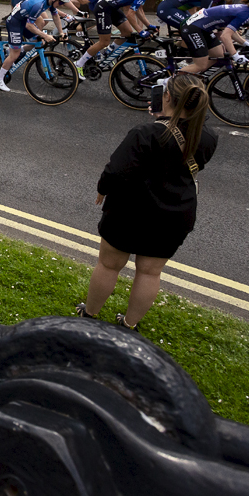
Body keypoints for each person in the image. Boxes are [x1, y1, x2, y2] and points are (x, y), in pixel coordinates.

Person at [77, 74, 217, 331]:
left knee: (109, 265)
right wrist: (166, 120)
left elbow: (117, 171)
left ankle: (90, 314)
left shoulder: (146, 133)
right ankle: (129, 324)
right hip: (175, 214)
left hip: (130, 210)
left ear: (167, 97)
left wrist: (102, 189)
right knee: (150, 272)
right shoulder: (207, 135)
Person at [74, 0, 177, 77]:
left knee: (127, 32)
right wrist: (141, 31)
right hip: (103, 8)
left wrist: (149, 25)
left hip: (112, 7)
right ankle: (78, 64)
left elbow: (139, 10)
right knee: (104, 41)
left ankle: (107, 53)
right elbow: (130, 15)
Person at [175, 0, 249, 76]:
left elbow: (231, 31)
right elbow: (225, 36)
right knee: (200, 65)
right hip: (193, 29)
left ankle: (193, 77)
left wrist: (246, 44)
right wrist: (235, 55)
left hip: (202, 28)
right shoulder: (244, 14)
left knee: (219, 56)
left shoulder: (245, 11)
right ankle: (169, 82)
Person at [0, 0, 71, 92]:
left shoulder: (50, 0)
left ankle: (17, 49)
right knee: (14, 55)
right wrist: (45, 35)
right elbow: (29, 26)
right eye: (61, 2)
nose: (61, 5)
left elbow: (55, 16)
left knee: (37, 42)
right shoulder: (39, 4)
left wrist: (61, 32)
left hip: (23, 20)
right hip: (15, 22)